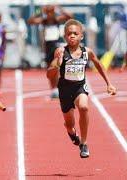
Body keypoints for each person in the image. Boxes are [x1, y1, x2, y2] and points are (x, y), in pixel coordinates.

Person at [47, 19, 116, 158]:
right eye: (69, 34)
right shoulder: (60, 51)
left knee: (84, 107)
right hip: (65, 89)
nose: (72, 36)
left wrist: (109, 83)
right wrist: (57, 64)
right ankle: (72, 133)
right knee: (69, 124)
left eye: (75, 33)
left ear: (81, 36)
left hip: (79, 87)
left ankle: (84, 144)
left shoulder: (87, 52)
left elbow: (98, 64)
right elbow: (49, 74)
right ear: (65, 36)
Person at [28, 5, 72, 98]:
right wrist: (39, 11)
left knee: (58, 68)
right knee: (50, 69)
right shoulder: (43, 21)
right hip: (47, 47)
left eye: (51, 12)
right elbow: (30, 21)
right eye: (47, 12)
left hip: (57, 46)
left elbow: (70, 17)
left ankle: (59, 88)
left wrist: (60, 8)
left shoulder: (57, 20)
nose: (49, 15)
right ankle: (53, 89)